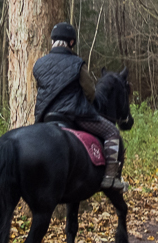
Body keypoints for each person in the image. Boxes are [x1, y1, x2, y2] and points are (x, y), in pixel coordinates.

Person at [33, 22, 123, 190]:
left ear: (52, 41)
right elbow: (90, 92)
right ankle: (110, 179)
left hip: (46, 117)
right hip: (75, 116)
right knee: (112, 132)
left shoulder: (38, 64)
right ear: (72, 42)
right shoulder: (77, 63)